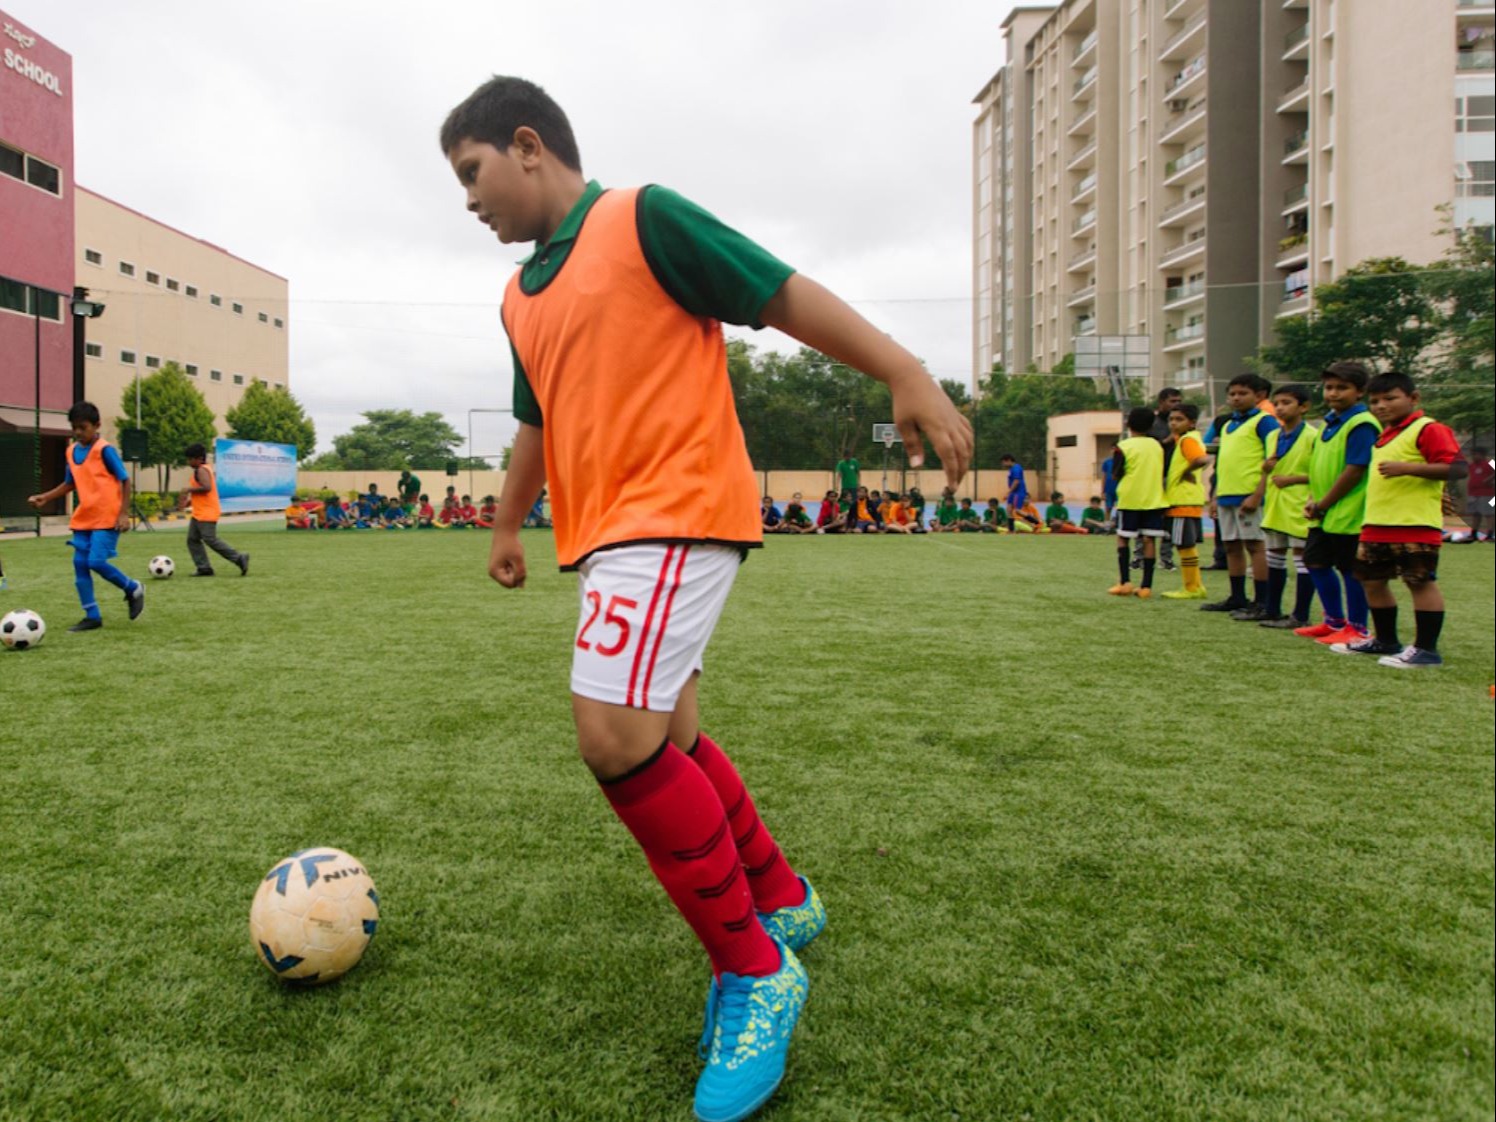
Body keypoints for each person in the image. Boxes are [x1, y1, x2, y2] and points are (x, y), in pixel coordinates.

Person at [441, 75, 972, 1120]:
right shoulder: (517, 298)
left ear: (527, 144)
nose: (468, 200)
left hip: (675, 511)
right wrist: (506, 524)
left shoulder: (642, 218)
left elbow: (776, 291)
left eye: (472, 172)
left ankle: (755, 972)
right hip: (607, 538)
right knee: (668, 733)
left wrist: (904, 368)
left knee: (612, 737)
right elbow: (537, 422)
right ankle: (778, 895)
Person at [1333, 372, 1466, 667]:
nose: (1381, 406)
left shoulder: (1427, 428)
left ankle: (1426, 650)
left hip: (1414, 524)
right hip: (1376, 524)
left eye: (1390, 398)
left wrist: (1407, 468)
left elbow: (1458, 468)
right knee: (1372, 581)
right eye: (1375, 401)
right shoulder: (1385, 435)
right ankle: (1385, 640)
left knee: (1419, 582)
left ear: (1413, 398)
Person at [25, 401, 145, 631]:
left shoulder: (104, 450)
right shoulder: (71, 451)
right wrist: (45, 497)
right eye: (74, 428)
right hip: (84, 518)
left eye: (83, 427)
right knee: (80, 564)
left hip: (107, 517)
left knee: (95, 562)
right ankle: (92, 616)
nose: (78, 432)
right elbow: (70, 483)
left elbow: (125, 480)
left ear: (96, 425)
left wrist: (123, 513)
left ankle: (132, 588)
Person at [1294, 361, 1381, 646]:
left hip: (1348, 510)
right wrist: (1314, 500)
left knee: (1350, 569)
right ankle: (1333, 621)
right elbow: (1321, 466)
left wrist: (1324, 503)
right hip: (1324, 510)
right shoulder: (1329, 422)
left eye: (1342, 388)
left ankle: (1358, 628)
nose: (1333, 393)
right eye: (1329, 387)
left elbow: (1355, 470)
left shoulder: (1362, 423)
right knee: (1315, 561)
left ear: (1360, 391)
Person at [1202, 375, 1280, 617]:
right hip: (1227, 495)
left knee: (1255, 546)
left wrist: (1258, 494)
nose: (1236, 398)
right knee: (1231, 546)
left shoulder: (1265, 422)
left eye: (1242, 393)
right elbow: (1223, 463)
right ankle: (1237, 597)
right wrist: (1216, 496)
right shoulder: (1227, 425)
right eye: (1232, 394)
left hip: (1248, 495)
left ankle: (1262, 600)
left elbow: (1272, 460)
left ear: (1259, 396)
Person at [1255, 386, 1318, 627]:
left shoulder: (1313, 436)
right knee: (1274, 556)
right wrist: (1265, 469)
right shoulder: (1273, 435)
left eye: (1286, 403)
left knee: (1302, 559)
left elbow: (1321, 472)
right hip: (1276, 504)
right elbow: (1269, 469)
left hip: (1300, 504)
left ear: (1303, 407)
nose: (1280, 408)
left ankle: (1300, 615)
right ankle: (1272, 609)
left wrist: (1293, 480)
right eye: (1277, 403)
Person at [1107, 407, 1167, 598]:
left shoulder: (1123, 446)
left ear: (1128, 423)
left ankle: (1125, 582)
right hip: (1154, 498)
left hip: (1130, 498)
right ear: (1151, 425)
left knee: (1123, 538)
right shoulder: (1157, 446)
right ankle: (1146, 587)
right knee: (1149, 540)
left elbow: (1116, 474)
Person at [1160, 404, 1211, 600]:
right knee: (1186, 545)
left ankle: (1191, 587)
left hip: (1182, 500)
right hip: (1190, 499)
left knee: (1183, 546)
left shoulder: (1187, 440)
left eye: (1179, 419)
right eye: (1171, 419)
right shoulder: (1190, 438)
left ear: (1192, 423)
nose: (1173, 423)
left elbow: (1201, 460)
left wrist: (1186, 472)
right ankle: (1196, 585)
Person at [176, 443, 250, 576]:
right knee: (192, 539)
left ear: (199, 458)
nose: (189, 462)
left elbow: (207, 487)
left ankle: (239, 558)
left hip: (207, 512)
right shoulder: (203, 469)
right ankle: (204, 568)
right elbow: (203, 493)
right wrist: (189, 502)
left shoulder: (201, 470)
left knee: (210, 539)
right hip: (199, 512)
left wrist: (188, 489)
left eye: (191, 459)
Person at [999, 453, 1028, 518]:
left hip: (1018, 493)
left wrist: (1008, 492)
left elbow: (1016, 481)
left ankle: (1036, 521)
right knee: (1009, 510)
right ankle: (1011, 524)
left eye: (1003, 462)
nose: (1003, 464)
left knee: (1017, 511)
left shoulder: (1016, 468)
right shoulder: (1011, 469)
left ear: (1009, 460)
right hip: (1013, 493)